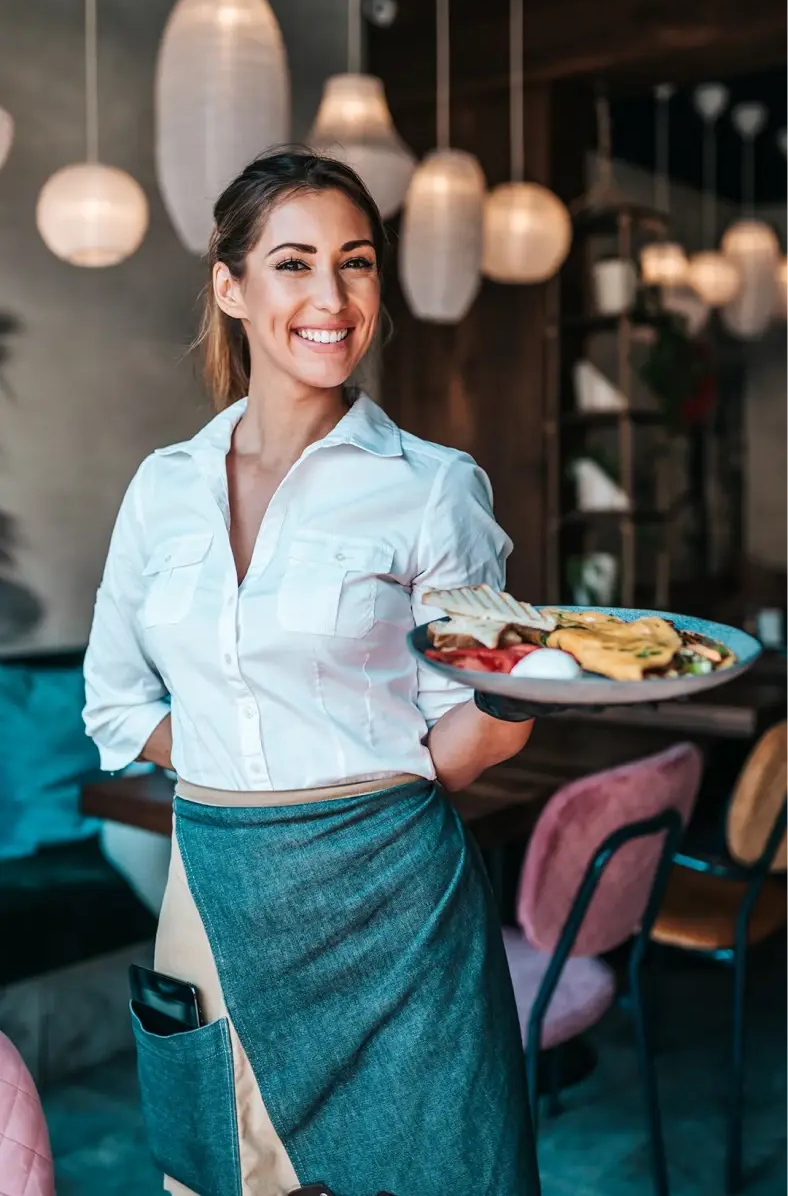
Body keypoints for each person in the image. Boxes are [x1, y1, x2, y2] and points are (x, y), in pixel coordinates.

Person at [83, 149, 540, 1196]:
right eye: (292, 263)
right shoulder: (163, 489)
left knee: (432, 1171)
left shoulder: (432, 490)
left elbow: (459, 736)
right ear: (230, 284)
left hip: (395, 905)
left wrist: (514, 699)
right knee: (227, 1168)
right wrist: (244, 760)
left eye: (357, 262)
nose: (331, 298)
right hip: (214, 889)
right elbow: (115, 701)